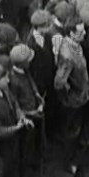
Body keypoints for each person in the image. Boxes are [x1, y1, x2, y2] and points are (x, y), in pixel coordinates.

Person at [0, 62, 35, 177]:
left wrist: (21, 117)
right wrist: (17, 128)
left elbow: (15, 103)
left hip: (14, 140)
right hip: (3, 147)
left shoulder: (4, 89)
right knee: (4, 172)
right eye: (5, 78)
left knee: (16, 162)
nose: (8, 80)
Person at [53, 13, 89, 174]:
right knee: (72, 131)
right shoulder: (67, 56)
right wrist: (70, 91)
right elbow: (59, 82)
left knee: (80, 126)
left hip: (81, 95)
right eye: (81, 33)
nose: (85, 34)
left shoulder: (76, 45)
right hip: (74, 101)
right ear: (71, 33)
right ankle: (71, 162)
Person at [8, 44, 44, 177]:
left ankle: (37, 162)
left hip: (37, 112)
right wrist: (31, 113)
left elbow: (31, 82)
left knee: (38, 142)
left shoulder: (25, 71)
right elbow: (16, 105)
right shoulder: (13, 81)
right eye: (28, 59)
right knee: (26, 149)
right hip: (28, 121)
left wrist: (37, 96)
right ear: (21, 63)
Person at [25, 9, 57, 141]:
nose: (50, 27)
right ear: (38, 27)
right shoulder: (31, 44)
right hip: (39, 81)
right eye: (47, 25)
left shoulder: (47, 36)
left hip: (49, 75)